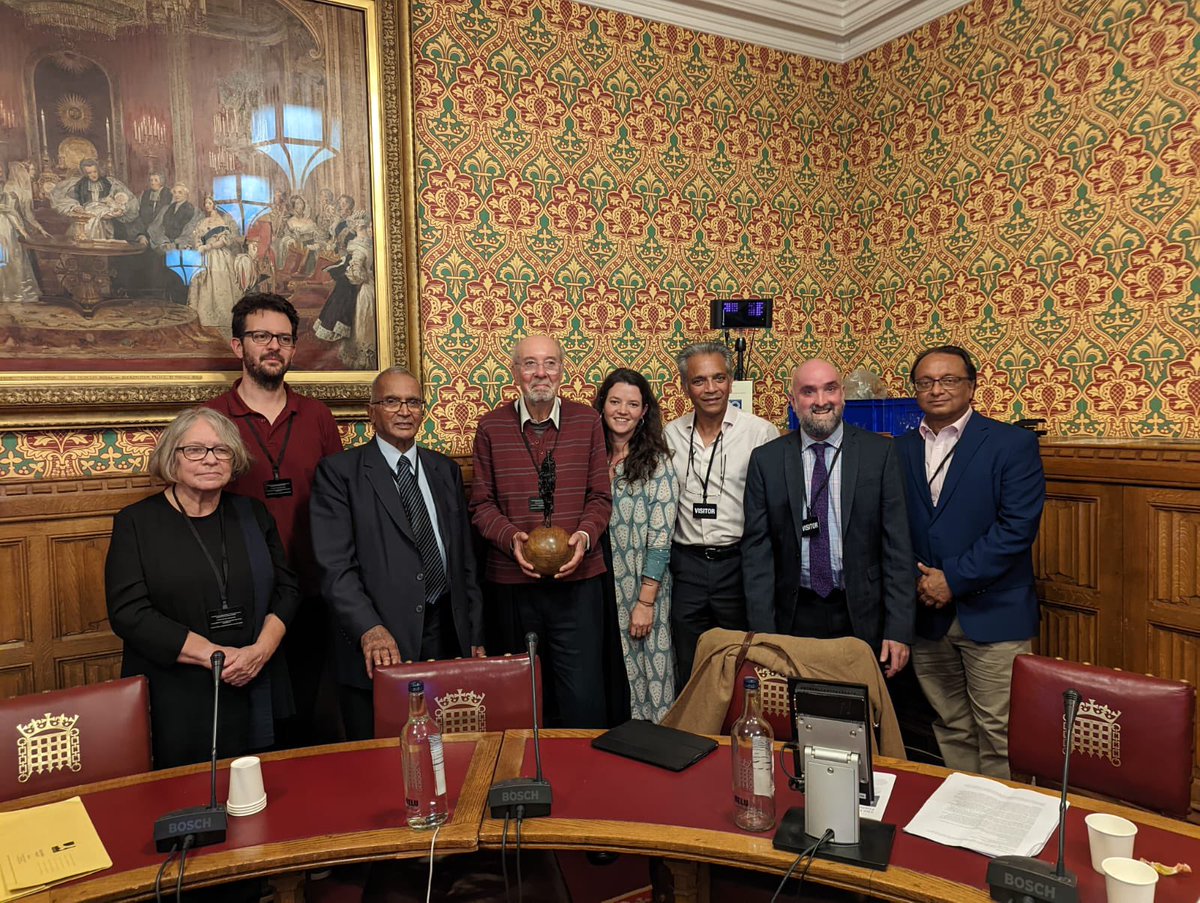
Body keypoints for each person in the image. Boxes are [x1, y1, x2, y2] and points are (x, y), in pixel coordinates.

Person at [105, 407, 299, 768]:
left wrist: (259, 652)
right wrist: (212, 654)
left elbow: (287, 589)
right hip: (177, 695)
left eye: (221, 449)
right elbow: (128, 612)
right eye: (195, 450)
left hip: (256, 679)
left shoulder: (253, 513)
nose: (210, 459)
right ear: (172, 457)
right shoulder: (137, 523)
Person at [895, 345, 1045, 778]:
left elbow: (1016, 528)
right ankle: (964, 811)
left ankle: (1006, 817)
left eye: (948, 380)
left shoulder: (1011, 444)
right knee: (952, 725)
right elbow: (891, 525)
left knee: (1000, 731)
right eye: (925, 382)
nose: (936, 389)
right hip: (927, 614)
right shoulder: (898, 450)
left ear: (972, 386)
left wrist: (953, 579)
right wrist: (922, 581)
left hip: (994, 611)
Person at [311, 367, 485, 740]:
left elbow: (464, 561)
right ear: (371, 412)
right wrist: (369, 629)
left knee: (447, 747)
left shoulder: (445, 470)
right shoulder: (339, 473)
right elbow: (335, 567)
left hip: (446, 634)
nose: (404, 411)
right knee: (380, 755)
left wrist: (473, 632)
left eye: (413, 402)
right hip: (380, 638)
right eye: (391, 401)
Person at [206, 293, 344, 745]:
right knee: (250, 721)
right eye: (261, 336)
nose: (273, 347)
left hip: (311, 588)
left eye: (283, 339)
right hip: (241, 593)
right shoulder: (212, 419)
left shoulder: (317, 416)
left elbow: (340, 502)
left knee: (308, 713)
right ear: (237, 346)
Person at [470, 335, 613, 727]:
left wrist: (583, 538)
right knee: (520, 698)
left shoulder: (588, 421)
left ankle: (581, 765)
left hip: (579, 583)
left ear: (562, 370)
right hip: (513, 586)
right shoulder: (491, 427)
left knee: (583, 697)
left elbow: (600, 496)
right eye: (530, 364)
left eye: (550, 363)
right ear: (515, 371)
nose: (541, 373)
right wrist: (511, 538)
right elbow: (481, 504)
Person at [742, 359, 914, 677]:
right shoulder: (766, 460)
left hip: (863, 612)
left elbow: (897, 547)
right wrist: (763, 634)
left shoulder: (879, 454)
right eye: (808, 392)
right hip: (794, 613)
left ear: (842, 395)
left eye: (830, 389)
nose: (821, 401)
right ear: (793, 401)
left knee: (863, 703)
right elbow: (757, 554)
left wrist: (899, 628)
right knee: (795, 703)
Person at [663, 342, 777, 685]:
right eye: (699, 380)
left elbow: (775, 509)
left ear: (730, 381)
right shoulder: (670, 434)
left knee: (739, 659)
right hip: (687, 567)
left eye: (719, 378)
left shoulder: (760, 433)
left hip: (737, 565)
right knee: (690, 661)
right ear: (685, 387)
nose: (710, 389)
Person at [594, 368, 679, 722]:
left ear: (644, 411)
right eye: (615, 401)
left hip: (642, 586)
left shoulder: (658, 463)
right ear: (602, 405)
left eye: (632, 404)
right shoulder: (589, 457)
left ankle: (651, 742)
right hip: (596, 585)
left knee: (648, 673)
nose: (622, 411)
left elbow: (660, 540)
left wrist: (646, 602)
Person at [188, 195, 243, 336]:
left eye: (209, 203)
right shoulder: (203, 221)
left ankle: (222, 319)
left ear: (216, 205)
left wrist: (208, 247)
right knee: (204, 285)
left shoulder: (223, 221)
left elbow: (224, 241)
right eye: (206, 203)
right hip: (204, 256)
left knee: (219, 283)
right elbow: (197, 237)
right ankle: (204, 319)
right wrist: (199, 245)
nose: (207, 205)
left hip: (219, 256)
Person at [51, 159, 138, 241]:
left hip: (106, 214)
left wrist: (120, 209)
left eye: (95, 171)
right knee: (88, 222)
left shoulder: (109, 183)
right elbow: (66, 198)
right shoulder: (80, 185)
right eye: (89, 173)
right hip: (87, 213)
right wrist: (75, 207)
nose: (93, 175)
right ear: (85, 174)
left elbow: (124, 197)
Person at [0, 160, 48, 304]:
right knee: (10, 258)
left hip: (14, 225)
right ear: (23, 171)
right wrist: (21, 230)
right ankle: (11, 293)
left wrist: (40, 228)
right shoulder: (10, 188)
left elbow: (28, 215)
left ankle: (17, 291)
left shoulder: (22, 188)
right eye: (31, 170)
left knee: (17, 258)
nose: (33, 173)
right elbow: (9, 212)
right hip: (5, 226)